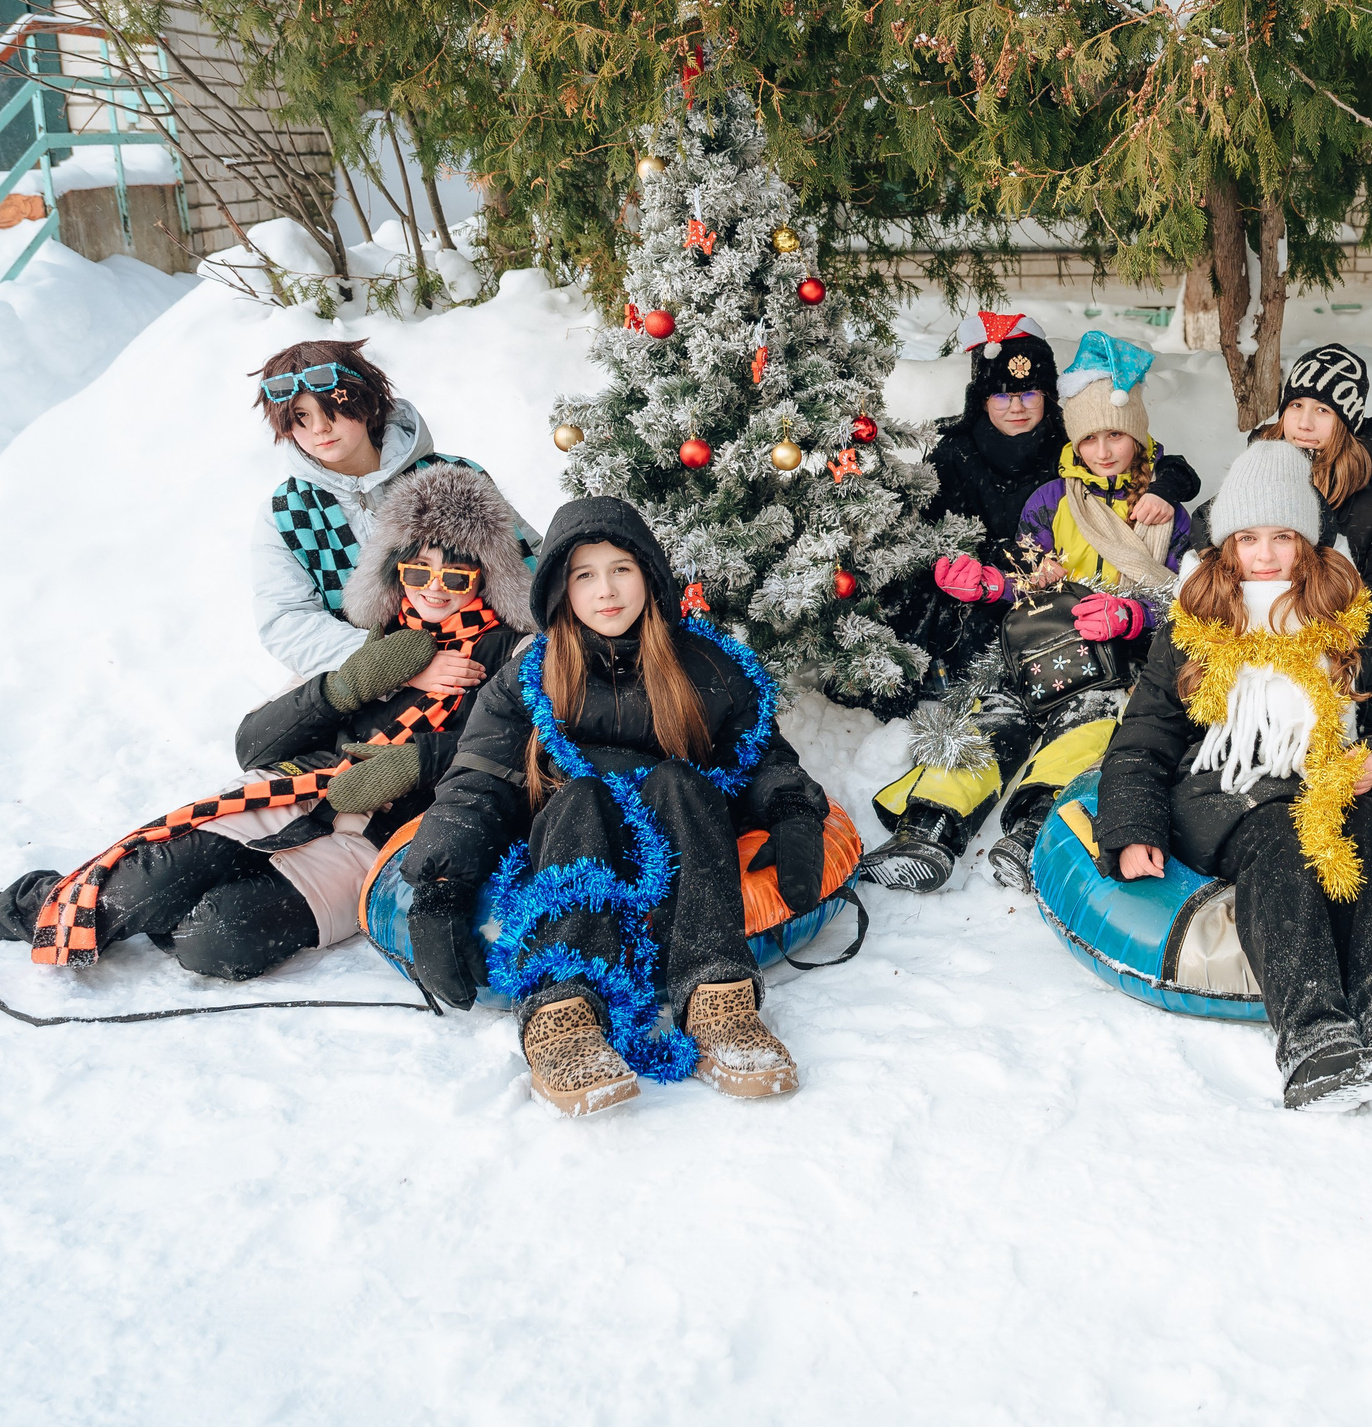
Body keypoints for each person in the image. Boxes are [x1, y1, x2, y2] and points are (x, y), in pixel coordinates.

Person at [3, 466, 534, 978]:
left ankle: (198, 902)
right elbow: (252, 747)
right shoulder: (380, 635)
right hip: (291, 787)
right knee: (139, 890)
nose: (434, 588)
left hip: (377, 837)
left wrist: (420, 762)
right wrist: (346, 686)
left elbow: (517, 755)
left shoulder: (517, 656)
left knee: (216, 938)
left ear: (488, 575)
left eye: (456, 573)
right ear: (395, 568)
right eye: (418, 569)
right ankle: (32, 905)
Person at [395, 497, 833, 1117]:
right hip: (574, 844)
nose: (606, 591)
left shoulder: (707, 667)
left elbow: (762, 756)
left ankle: (716, 996)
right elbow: (478, 784)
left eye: (621, 569)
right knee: (581, 794)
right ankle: (563, 1012)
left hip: (682, 838)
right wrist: (441, 884)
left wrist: (793, 813)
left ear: (649, 575)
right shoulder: (530, 680)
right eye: (584, 575)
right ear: (559, 591)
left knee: (684, 781)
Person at [1094, 440, 1372, 1111]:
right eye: (1248, 537)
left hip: (1327, 778)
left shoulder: (1344, 622)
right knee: (1283, 838)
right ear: (1226, 544)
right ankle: (1314, 1036)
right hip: (1226, 791)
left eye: (1282, 537)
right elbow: (1143, 738)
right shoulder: (1196, 624)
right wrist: (1134, 825)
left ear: (1308, 544)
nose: (1263, 554)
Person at [869, 331, 1197, 893]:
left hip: (1116, 658)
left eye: (1115, 434)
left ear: (1137, 434)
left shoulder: (1165, 513)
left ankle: (1036, 829)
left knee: (1086, 726)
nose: (1103, 450)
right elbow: (1027, 578)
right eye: (1089, 437)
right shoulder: (1051, 500)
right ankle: (930, 825)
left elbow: (1183, 599)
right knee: (993, 713)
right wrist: (988, 586)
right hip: (1041, 645)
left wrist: (1130, 617)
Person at [915, 311, 1200, 671]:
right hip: (1005, 587)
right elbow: (930, 531)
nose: (1016, 407)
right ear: (982, 400)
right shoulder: (956, 454)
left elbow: (1148, 456)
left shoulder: (1069, 445)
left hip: (1099, 611)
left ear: (1047, 395)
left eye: (1029, 393)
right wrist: (991, 569)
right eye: (1002, 396)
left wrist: (1166, 487)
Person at [250, 338, 537, 678]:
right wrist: (397, 666)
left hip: (484, 658)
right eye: (301, 416)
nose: (319, 428)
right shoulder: (287, 512)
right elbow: (286, 620)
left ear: (366, 400)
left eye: (331, 410)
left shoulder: (451, 476)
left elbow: (530, 560)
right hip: (367, 678)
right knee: (265, 729)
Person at [1235, 343, 1372, 641]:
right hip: (1247, 636)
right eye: (1296, 406)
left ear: (1346, 423)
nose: (1305, 424)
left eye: (1322, 410)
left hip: (1334, 644)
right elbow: (1210, 541)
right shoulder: (1252, 474)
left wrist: (1314, 627)